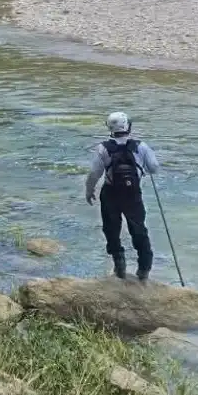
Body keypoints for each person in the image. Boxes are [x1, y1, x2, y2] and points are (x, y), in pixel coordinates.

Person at [85, 112, 161, 281]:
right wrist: (143, 170)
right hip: (133, 195)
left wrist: (88, 191)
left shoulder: (103, 148)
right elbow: (154, 167)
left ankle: (119, 264)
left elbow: (94, 174)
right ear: (128, 126)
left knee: (111, 230)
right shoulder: (141, 146)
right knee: (139, 230)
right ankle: (144, 269)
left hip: (110, 193)